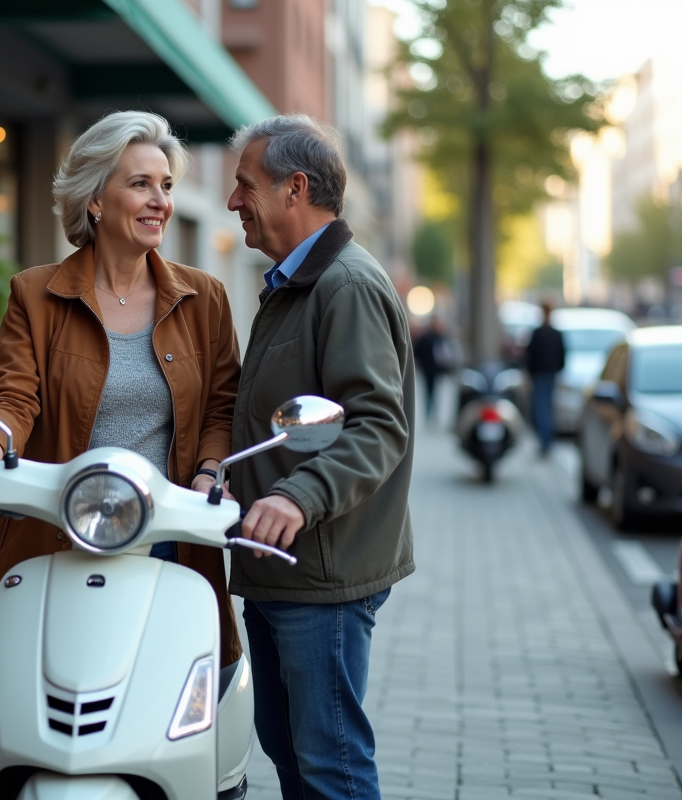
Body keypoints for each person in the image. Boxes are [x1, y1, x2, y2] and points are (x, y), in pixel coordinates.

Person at [0, 110, 243, 667]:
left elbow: (222, 408)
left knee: (166, 704)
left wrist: (210, 474)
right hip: (58, 534)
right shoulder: (34, 293)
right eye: (140, 184)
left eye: (166, 186)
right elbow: (13, 395)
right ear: (95, 199)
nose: (160, 201)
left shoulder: (205, 297)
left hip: (167, 536)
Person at [225, 114, 415, 800]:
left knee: (330, 766)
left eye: (245, 185)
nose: (232, 202)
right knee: (291, 753)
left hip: (323, 574)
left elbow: (377, 426)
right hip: (282, 569)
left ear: (293, 189)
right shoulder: (295, 283)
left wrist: (296, 496)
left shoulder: (346, 286)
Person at [526, 300, 565, 456]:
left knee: (542, 408)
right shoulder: (555, 333)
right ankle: (547, 439)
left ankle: (545, 441)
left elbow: (530, 356)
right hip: (550, 374)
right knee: (547, 407)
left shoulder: (538, 333)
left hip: (540, 375)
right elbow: (563, 356)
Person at [413, 317, 453, 423]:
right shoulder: (432, 338)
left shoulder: (437, 338)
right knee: (430, 391)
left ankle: (431, 412)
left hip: (433, 369)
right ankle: (430, 412)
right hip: (430, 369)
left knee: (432, 391)